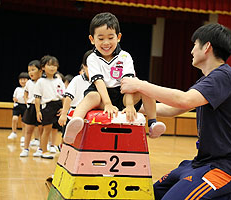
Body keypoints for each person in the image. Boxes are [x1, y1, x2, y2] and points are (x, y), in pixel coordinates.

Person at [120, 23, 231, 199]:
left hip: (225, 168)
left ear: (207, 47)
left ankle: (229, 196)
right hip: (200, 164)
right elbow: (173, 108)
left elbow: (183, 99)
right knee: (148, 194)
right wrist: (130, 108)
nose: (191, 51)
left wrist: (140, 85)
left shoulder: (224, 76)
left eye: (195, 45)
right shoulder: (209, 80)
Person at [63, 12, 166, 144]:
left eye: (110, 37)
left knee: (144, 86)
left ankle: (152, 123)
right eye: (100, 39)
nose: (106, 43)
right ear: (92, 39)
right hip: (101, 95)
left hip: (122, 95)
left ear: (118, 37)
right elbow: (99, 83)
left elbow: (128, 83)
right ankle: (74, 123)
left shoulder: (125, 56)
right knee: (91, 97)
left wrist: (129, 105)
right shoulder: (92, 58)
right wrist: (107, 104)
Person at [34, 55, 65, 159]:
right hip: (47, 106)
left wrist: (64, 108)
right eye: (49, 65)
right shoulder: (40, 82)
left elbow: (64, 96)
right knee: (46, 129)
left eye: (55, 65)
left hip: (59, 105)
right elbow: (37, 98)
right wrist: (38, 111)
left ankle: (58, 148)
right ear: (43, 67)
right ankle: (43, 150)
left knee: (60, 129)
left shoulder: (59, 81)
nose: (52, 67)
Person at [58, 50, 92, 129]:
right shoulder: (77, 79)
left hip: (93, 115)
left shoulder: (102, 81)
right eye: (90, 66)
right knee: (69, 139)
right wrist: (64, 114)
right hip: (74, 113)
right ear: (84, 66)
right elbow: (68, 97)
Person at [19, 60, 43, 157]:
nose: (31, 73)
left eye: (33, 70)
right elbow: (26, 92)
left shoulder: (43, 81)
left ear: (40, 71)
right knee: (28, 129)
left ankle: (41, 148)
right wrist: (26, 100)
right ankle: (26, 149)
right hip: (31, 107)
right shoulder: (29, 82)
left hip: (41, 107)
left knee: (41, 130)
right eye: (29, 71)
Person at [8, 72, 29, 147]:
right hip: (17, 106)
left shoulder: (29, 89)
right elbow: (14, 97)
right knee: (14, 118)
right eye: (21, 79)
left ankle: (23, 136)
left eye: (24, 79)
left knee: (24, 123)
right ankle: (13, 132)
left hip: (25, 106)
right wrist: (15, 99)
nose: (22, 81)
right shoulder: (17, 89)